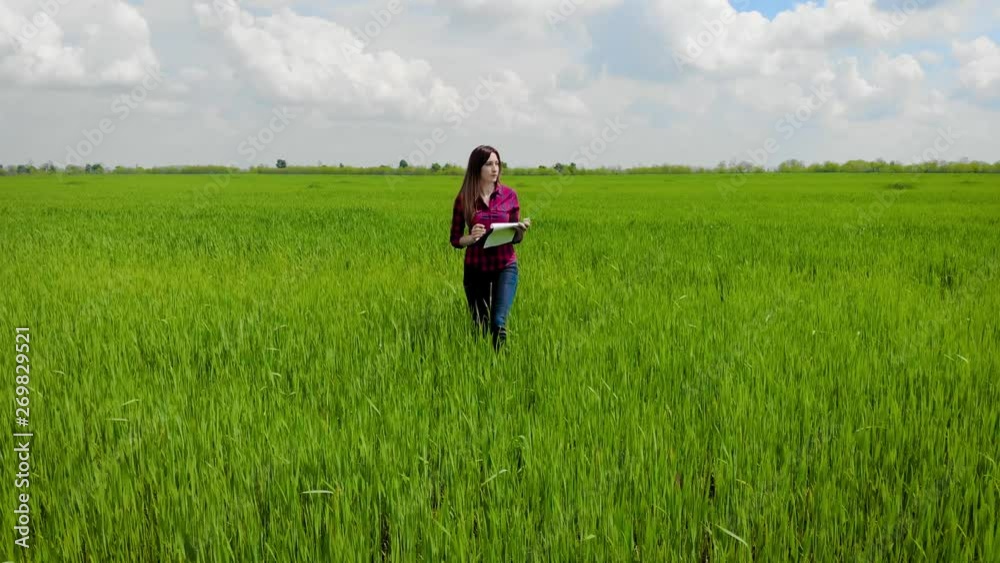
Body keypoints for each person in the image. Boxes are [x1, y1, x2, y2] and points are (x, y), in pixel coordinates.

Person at [449, 145, 531, 351]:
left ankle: (501, 367)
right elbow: (455, 239)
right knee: (480, 326)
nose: (495, 169)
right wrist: (471, 237)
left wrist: (520, 230)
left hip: (505, 265)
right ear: (477, 168)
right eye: (488, 164)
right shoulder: (464, 199)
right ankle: (481, 365)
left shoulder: (510, 196)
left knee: (498, 323)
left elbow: (515, 238)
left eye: (497, 163)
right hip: (476, 268)